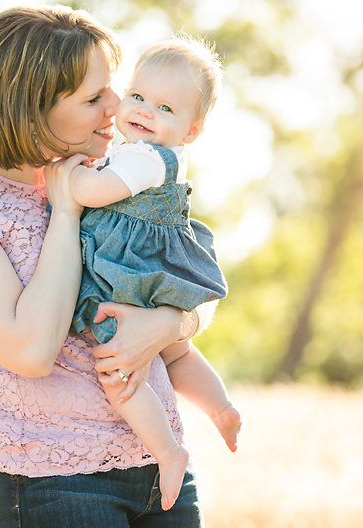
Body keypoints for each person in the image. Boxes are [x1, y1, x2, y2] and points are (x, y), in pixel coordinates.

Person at [0, 5, 212, 527]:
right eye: (95, 98)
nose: (118, 106)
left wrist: (169, 323)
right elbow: (31, 349)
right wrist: (67, 212)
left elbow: (183, 279)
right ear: (29, 110)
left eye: (113, 88)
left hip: (160, 464)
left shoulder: (112, 174)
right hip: (54, 481)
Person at [66, 36, 242, 510]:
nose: (143, 111)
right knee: (177, 353)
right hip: (151, 273)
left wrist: (70, 176)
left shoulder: (143, 158)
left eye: (165, 108)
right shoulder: (152, 153)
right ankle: (221, 408)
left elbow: (97, 192)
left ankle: (167, 450)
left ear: (192, 129)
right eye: (138, 96)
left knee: (118, 371)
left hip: (127, 277)